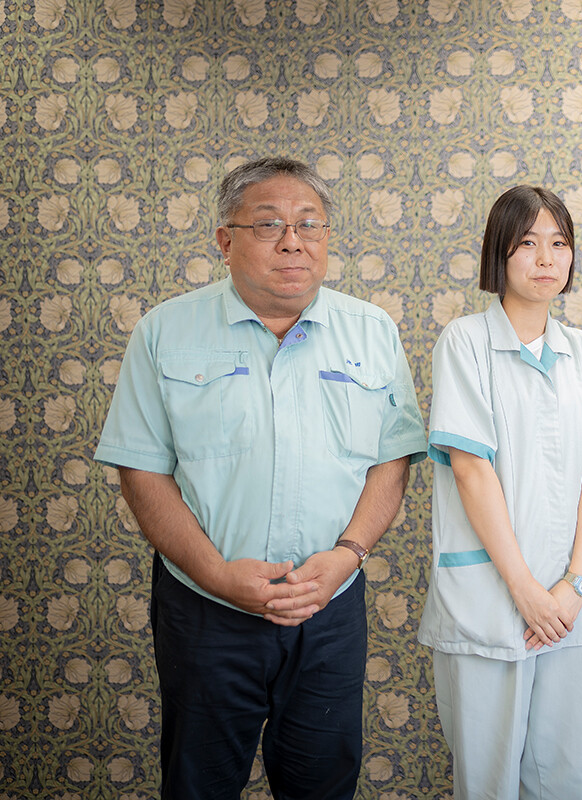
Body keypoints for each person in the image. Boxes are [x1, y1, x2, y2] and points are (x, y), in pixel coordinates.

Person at [94, 157, 427, 800]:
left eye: (310, 224)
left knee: (323, 785)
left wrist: (348, 554)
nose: (293, 241)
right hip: (206, 609)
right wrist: (217, 574)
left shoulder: (372, 331)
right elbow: (142, 470)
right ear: (225, 240)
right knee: (199, 785)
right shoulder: (165, 330)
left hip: (329, 607)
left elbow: (392, 460)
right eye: (269, 224)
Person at [417, 185, 582, 799]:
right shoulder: (465, 342)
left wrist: (574, 586)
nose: (546, 258)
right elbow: (471, 470)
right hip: (490, 602)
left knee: (566, 777)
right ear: (499, 253)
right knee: (487, 783)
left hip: (569, 606)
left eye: (559, 243)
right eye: (527, 243)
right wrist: (526, 590)